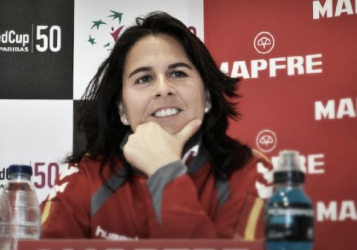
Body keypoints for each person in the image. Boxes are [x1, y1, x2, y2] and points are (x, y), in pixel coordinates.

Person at [40, 11, 272, 240]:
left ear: (208, 97)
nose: (163, 88)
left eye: (178, 73)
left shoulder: (249, 171)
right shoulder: (86, 175)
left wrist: (166, 172)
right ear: (122, 110)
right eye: (144, 78)